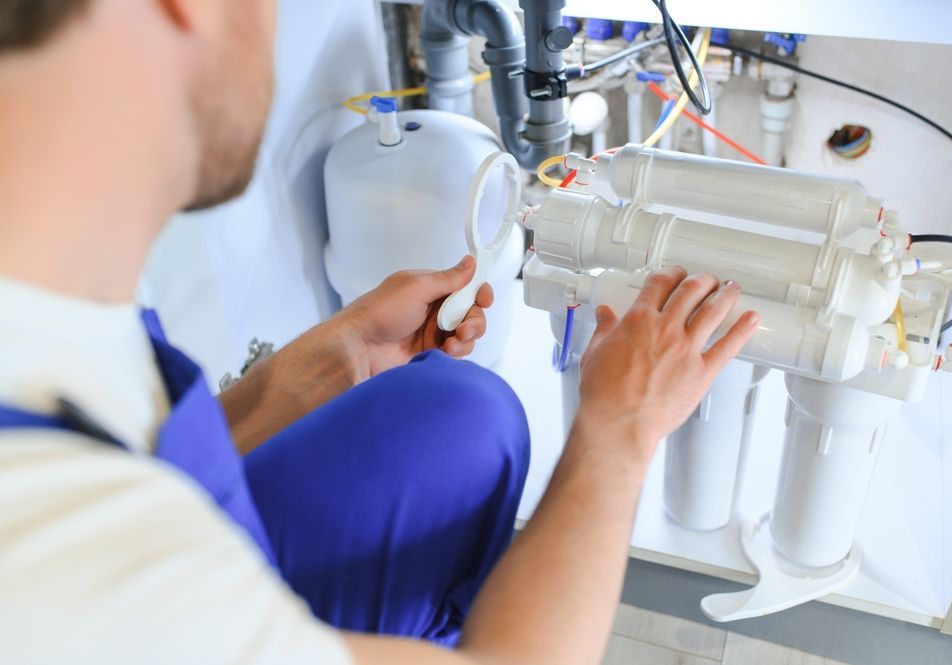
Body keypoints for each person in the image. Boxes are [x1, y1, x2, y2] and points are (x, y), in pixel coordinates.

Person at [0, 1, 759, 664]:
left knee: (466, 413)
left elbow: (145, 455)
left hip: (167, 551)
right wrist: (620, 428)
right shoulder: (72, 579)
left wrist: (326, 359)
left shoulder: (50, 285)